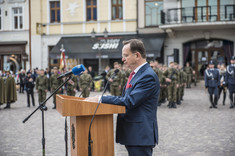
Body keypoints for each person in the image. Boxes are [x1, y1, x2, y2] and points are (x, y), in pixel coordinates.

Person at [86, 39, 159, 156]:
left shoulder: (147, 76)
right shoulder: (137, 73)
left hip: (140, 134)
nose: (122, 59)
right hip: (133, 133)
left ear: (137, 55)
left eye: (125, 55)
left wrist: (102, 99)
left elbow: (130, 101)